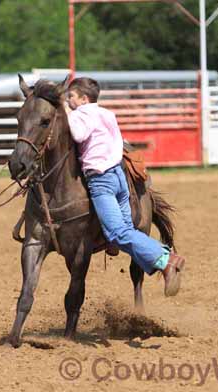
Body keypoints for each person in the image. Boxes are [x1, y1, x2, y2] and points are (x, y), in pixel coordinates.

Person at [64, 77, 185, 297]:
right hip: (119, 177)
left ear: (83, 99)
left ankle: (167, 260)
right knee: (126, 232)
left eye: (70, 96)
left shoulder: (80, 114)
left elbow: (79, 135)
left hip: (101, 180)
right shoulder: (107, 114)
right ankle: (163, 262)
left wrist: (66, 114)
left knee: (118, 234)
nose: (67, 99)